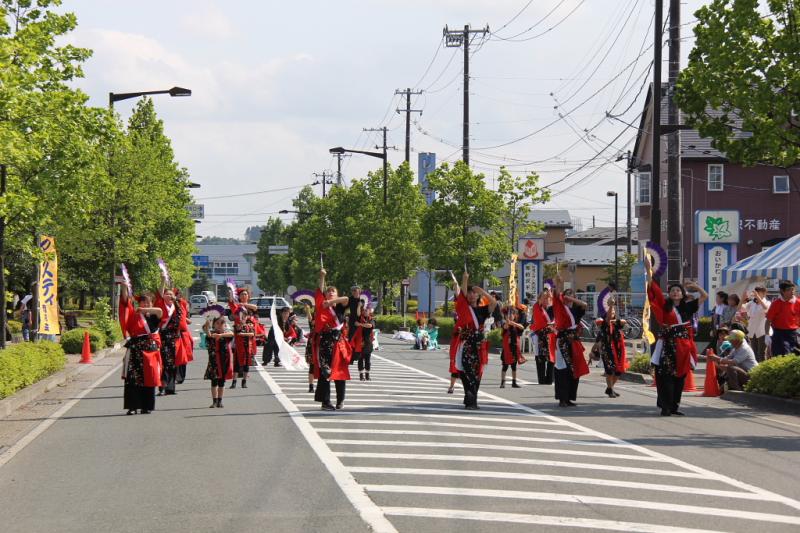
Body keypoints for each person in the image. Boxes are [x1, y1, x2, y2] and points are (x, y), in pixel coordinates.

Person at [645, 255, 707, 416]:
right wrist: (648, 270)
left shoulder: (688, 306)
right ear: (669, 294)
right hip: (668, 345)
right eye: (672, 290)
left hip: (684, 345)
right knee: (666, 375)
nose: (675, 292)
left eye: (678, 290)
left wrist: (696, 286)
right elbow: (653, 290)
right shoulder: (665, 306)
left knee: (681, 376)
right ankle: (665, 407)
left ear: (682, 293)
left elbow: (705, 297)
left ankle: (674, 407)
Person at [451, 270, 497, 410]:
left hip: (479, 346)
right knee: (466, 372)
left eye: (473, 293)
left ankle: (471, 400)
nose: (471, 294)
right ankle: (470, 399)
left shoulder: (483, 310)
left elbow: (494, 303)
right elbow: (462, 295)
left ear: (478, 295)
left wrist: (482, 290)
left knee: (477, 373)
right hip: (466, 345)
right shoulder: (463, 307)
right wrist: (465, 279)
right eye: (469, 292)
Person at [118, 284, 163, 415]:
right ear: (139, 302)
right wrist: (124, 287)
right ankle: (132, 406)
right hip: (135, 348)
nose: (145, 303)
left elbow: (160, 311)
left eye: (148, 301)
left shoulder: (154, 314)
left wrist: (145, 310)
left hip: (149, 350)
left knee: (149, 378)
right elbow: (125, 302)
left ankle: (146, 406)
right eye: (143, 301)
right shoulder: (134, 313)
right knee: (132, 378)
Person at [313, 268, 352, 410]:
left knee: (340, 371)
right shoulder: (321, 306)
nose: (330, 293)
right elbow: (319, 289)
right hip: (325, 342)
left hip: (339, 342)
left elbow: (347, 299)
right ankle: (325, 402)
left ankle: (340, 400)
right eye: (328, 291)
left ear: (336, 294)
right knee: (326, 372)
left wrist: (332, 302)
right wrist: (322, 276)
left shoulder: (340, 307)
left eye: (333, 291)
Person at [551, 281, 590, 407]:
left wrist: (571, 298)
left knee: (574, 369)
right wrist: (558, 284)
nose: (568, 297)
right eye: (566, 294)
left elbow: (585, 304)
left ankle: (569, 397)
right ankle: (562, 398)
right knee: (563, 369)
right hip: (563, 341)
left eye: (571, 294)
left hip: (574, 341)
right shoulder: (560, 308)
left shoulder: (575, 310)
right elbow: (556, 295)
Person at [155, 277, 183, 396]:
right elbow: (160, 293)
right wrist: (163, 280)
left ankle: (170, 388)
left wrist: (175, 300)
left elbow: (181, 316)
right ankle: (162, 386)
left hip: (173, 338)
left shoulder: (176, 307)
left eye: (171, 294)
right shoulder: (161, 305)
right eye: (167, 294)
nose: (169, 296)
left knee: (172, 363)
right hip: (163, 336)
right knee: (164, 362)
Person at [595, 300, 628, 398]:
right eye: (610, 311)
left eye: (614, 312)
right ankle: (610, 390)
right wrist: (611, 305)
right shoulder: (604, 323)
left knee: (618, 371)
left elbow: (624, 322)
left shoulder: (617, 323)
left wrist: (616, 320)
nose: (612, 313)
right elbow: (608, 318)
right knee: (610, 370)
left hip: (618, 350)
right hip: (608, 350)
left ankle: (610, 388)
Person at [228, 287, 258, 389]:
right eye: (242, 295)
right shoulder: (236, 307)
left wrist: (243, 305)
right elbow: (231, 302)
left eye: (246, 294)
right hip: (238, 337)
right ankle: (234, 381)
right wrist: (231, 293)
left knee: (247, 361)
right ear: (239, 296)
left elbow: (255, 307)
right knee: (237, 360)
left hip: (249, 336)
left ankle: (244, 381)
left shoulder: (250, 307)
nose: (244, 296)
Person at [204, 316, 234, 408]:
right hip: (214, 361)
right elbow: (208, 334)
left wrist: (221, 335)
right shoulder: (212, 334)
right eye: (217, 323)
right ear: (214, 324)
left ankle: (220, 400)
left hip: (224, 361)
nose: (220, 325)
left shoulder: (226, 334)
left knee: (222, 382)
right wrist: (207, 325)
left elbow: (232, 334)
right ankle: (214, 401)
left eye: (222, 323)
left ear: (225, 325)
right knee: (214, 382)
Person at [765, 280, 800, 356]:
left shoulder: (798, 302)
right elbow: (768, 321)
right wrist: (767, 335)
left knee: (794, 356)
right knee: (780, 356)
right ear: (782, 291)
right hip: (779, 334)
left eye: (792, 289)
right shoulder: (775, 303)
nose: (792, 292)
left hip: (793, 333)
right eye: (789, 290)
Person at [530, 290, 555, 385]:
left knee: (551, 357)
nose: (546, 299)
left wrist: (551, 296)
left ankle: (549, 379)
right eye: (544, 298)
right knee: (540, 357)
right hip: (539, 335)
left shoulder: (551, 309)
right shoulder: (537, 307)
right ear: (539, 299)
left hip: (550, 335)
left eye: (547, 298)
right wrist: (546, 293)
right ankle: (541, 378)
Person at [741, 287, 770, 362]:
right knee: (753, 352)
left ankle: (763, 370)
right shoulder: (752, 303)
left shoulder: (767, 302)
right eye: (756, 292)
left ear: (764, 293)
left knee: (762, 352)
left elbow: (766, 309)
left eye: (758, 292)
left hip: (762, 330)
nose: (756, 294)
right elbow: (740, 309)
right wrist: (742, 299)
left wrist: (758, 298)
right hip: (752, 330)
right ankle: (756, 370)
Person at [500, 306, 525, 389]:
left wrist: (513, 323)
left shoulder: (516, 325)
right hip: (507, 348)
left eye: (513, 314)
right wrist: (508, 321)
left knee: (514, 366)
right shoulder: (504, 323)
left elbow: (522, 327)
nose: (511, 316)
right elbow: (505, 327)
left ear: (515, 316)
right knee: (505, 366)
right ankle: (503, 382)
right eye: (509, 314)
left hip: (514, 347)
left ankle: (514, 382)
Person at [173, 287, 193, 385]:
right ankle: (174, 375)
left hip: (183, 333)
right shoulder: (169, 305)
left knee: (183, 356)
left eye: (177, 294)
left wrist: (184, 318)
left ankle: (181, 376)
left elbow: (188, 319)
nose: (177, 296)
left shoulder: (183, 303)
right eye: (175, 294)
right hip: (173, 333)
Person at [353, 305, 375, 381]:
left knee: (368, 361)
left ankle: (367, 375)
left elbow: (370, 326)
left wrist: (360, 324)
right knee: (360, 360)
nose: (365, 311)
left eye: (367, 310)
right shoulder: (359, 318)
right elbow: (355, 324)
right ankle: (361, 376)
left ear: (369, 312)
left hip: (368, 343)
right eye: (364, 310)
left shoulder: (371, 319)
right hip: (359, 342)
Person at [304, 304, 317, 393]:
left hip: (323, 345)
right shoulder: (312, 322)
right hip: (312, 345)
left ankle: (321, 386)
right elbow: (309, 318)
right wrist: (308, 309)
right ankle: (311, 386)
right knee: (312, 367)